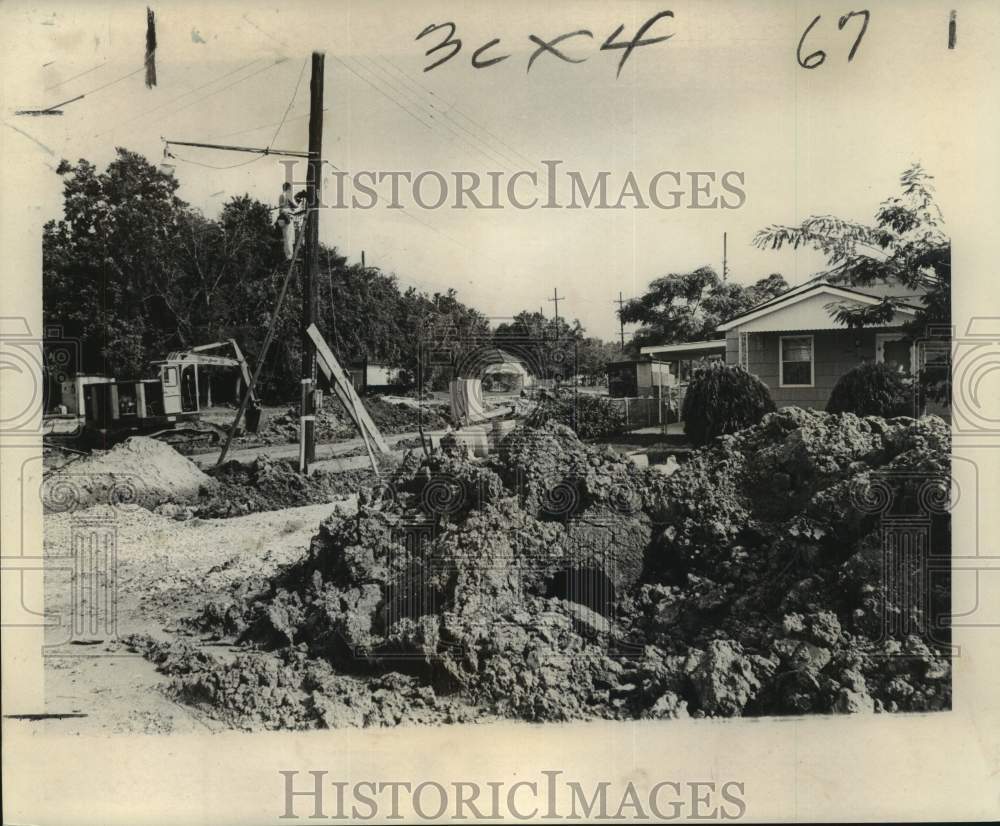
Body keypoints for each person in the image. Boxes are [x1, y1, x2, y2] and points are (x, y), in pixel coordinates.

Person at [277, 182, 300, 261]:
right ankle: (289, 256)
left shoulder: (281, 196)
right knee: (289, 238)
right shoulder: (287, 195)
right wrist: (297, 200)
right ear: (288, 189)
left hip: (282, 217)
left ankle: (288, 255)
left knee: (286, 237)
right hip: (287, 217)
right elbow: (295, 205)